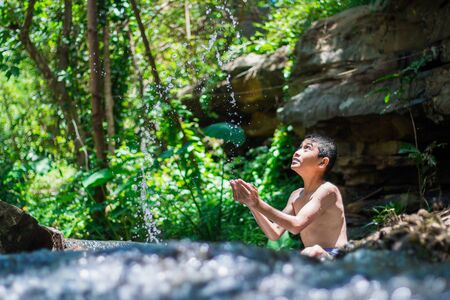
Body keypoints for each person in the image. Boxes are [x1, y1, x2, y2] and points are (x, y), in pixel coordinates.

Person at [230, 134, 347, 258]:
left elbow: (296, 225)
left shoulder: (328, 190)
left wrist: (258, 203)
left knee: (313, 251)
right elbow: (274, 233)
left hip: (337, 257)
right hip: (313, 258)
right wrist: (252, 205)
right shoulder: (296, 195)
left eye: (307, 148)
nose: (297, 152)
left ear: (322, 162)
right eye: (299, 147)